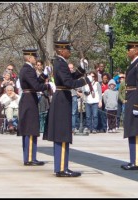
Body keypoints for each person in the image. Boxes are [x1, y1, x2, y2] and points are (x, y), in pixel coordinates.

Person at [46, 40, 91, 177]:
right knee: (62, 134)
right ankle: (61, 168)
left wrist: (81, 69)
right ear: (60, 51)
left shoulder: (60, 63)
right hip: (62, 100)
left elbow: (70, 77)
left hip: (62, 98)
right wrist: (84, 81)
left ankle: (62, 166)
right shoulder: (60, 63)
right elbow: (68, 82)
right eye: (67, 50)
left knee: (63, 133)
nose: (69, 52)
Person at [18, 48, 51, 166]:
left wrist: (44, 75)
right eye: (34, 57)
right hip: (29, 100)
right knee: (30, 129)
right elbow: (36, 85)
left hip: (28, 99)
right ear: (29, 57)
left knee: (29, 129)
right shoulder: (28, 70)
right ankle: (30, 158)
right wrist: (47, 86)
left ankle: (29, 157)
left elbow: (35, 81)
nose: (35, 59)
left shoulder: (27, 69)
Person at [121, 41, 138, 170]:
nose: (128, 52)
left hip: (135, 101)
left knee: (136, 132)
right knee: (131, 130)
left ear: (136, 50)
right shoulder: (133, 64)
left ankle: (137, 162)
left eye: (129, 49)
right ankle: (133, 160)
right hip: (130, 99)